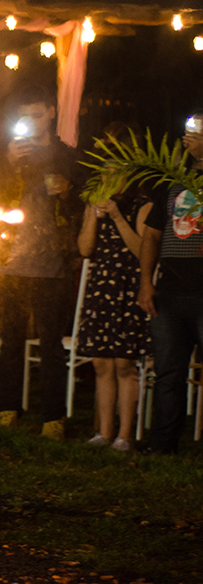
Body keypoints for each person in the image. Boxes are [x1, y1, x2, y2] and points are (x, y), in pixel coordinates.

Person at [0, 86, 83, 439]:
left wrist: (67, 193)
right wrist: (9, 165)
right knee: (9, 341)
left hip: (52, 264)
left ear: (52, 113)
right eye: (26, 116)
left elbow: (81, 212)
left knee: (51, 344)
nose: (32, 122)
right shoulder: (9, 155)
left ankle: (52, 418)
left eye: (38, 114)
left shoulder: (67, 157)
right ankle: (7, 409)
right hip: (10, 261)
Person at [77, 126, 153, 452]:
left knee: (124, 363)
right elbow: (84, 248)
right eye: (104, 172)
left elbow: (140, 249)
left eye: (115, 172)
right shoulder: (94, 202)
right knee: (100, 363)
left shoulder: (143, 204)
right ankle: (103, 433)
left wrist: (118, 216)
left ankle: (125, 435)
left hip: (128, 285)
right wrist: (94, 215)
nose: (109, 178)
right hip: (101, 285)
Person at [137, 117, 203, 455]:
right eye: (188, 133)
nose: (189, 138)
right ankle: (162, 445)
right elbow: (151, 236)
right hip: (170, 294)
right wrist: (146, 283)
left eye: (198, 133)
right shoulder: (172, 182)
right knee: (168, 373)